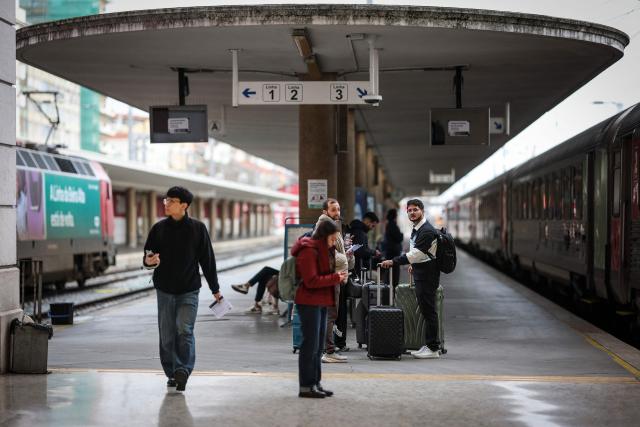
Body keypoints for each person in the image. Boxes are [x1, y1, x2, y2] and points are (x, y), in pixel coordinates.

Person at [143, 186, 223, 391]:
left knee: (184, 330)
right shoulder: (158, 229)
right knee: (167, 334)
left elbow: (208, 260)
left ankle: (183, 370)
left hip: (189, 289)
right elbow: (147, 258)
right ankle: (172, 373)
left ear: (184, 205)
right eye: (166, 201)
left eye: (171, 201)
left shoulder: (197, 229)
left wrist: (215, 289)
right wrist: (150, 261)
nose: (166, 204)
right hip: (165, 289)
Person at [292, 220, 348, 398]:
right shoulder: (308, 250)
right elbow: (311, 281)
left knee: (317, 347)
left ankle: (315, 382)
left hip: (321, 301)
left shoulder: (322, 250)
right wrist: (335, 278)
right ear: (324, 237)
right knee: (309, 345)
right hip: (308, 302)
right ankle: (306, 386)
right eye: (332, 239)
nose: (333, 243)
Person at [381, 199, 441, 359]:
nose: (412, 213)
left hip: (428, 275)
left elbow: (417, 253)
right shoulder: (418, 229)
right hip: (421, 273)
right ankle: (429, 345)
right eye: (409, 210)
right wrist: (414, 265)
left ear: (422, 211)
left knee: (429, 311)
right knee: (426, 310)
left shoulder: (426, 231)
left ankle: (433, 348)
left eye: (415, 210)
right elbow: (418, 253)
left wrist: (394, 261)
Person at [314, 198, 354, 363]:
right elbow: (324, 253)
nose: (337, 213)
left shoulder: (331, 226)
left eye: (338, 209)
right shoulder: (325, 226)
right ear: (325, 212)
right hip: (331, 277)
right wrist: (343, 258)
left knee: (330, 315)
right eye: (333, 210)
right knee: (330, 315)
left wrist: (345, 250)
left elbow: (334, 251)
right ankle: (328, 351)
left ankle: (327, 349)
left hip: (334, 275)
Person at [382, 209, 403, 288]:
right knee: (394, 272)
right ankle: (392, 289)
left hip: (390, 251)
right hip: (394, 252)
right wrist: (401, 234)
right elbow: (399, 237)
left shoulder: (388, 224)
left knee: (390, 271)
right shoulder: (393, 225)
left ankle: (390, 288)